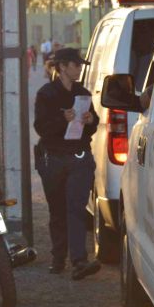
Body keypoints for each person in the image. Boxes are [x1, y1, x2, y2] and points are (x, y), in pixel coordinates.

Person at [33, 47, 101, 280]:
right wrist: (62, 119)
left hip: (79, 157)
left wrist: (91, 120)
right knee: (58, 210)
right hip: (54, 158)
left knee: (76, 208)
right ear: (62, 67)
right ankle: (58, 258)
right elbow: (41, 127)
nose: (79, 69)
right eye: (76, 65)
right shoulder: (47, 94)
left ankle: (79, 261)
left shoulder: (82, 93)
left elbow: (92, 125)